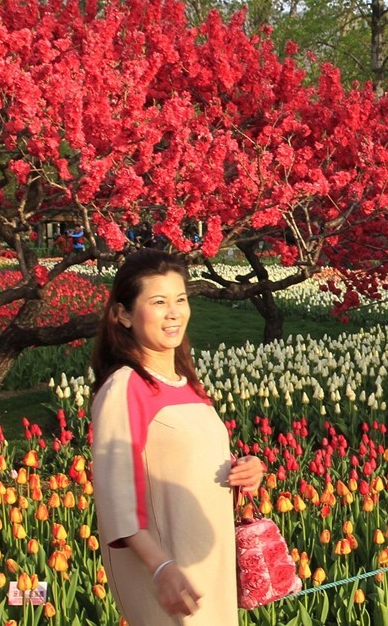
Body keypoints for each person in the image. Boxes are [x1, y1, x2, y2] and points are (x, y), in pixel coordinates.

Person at [89, 249, 265, 623]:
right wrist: (160, 567)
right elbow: (115, 493)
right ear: (122, 314)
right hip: (168, 573)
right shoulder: (125, 388)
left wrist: (244, 469)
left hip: (208, 567)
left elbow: (184, 460)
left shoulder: (187, 385)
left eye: (180, 300)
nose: (174, 312)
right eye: (158, 302)